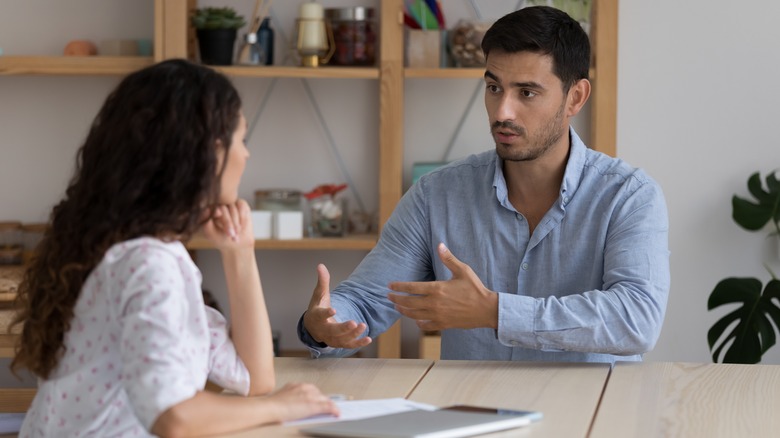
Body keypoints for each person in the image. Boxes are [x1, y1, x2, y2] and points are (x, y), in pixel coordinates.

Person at [298, 6, 670, 363]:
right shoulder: (435, 196)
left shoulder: (629, 196)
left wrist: (495, 311)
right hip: (475, 419)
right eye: (494, 88)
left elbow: (636, 320)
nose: (503, 111)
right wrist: (323, 325)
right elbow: (365, 302)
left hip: (593, 419)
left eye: (526, 92)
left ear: (575, 97)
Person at [11, 59, 338, 437]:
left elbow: (255, 377)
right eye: (240, 139)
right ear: (207, 152)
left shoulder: (131, 251)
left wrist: (239, 252)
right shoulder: (147, 263)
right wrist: (280, 406)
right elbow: (174, 418)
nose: (246, 155)